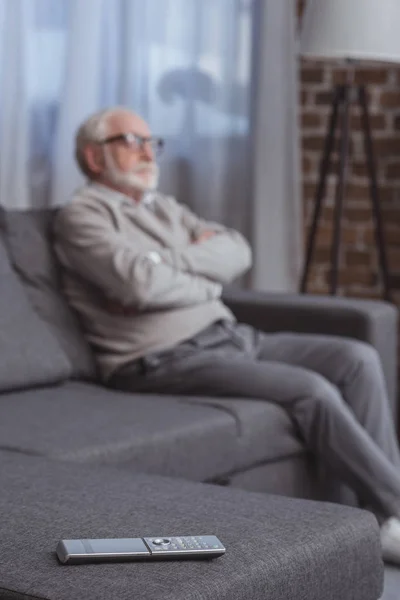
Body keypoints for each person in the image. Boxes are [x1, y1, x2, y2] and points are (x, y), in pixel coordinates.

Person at [54, 106, 400, 564]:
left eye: (150, 141)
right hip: (162, 358)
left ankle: (382, 518)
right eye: (131, 141)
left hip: (230, 337)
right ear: (94, 158)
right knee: (311, 390)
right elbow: (138, 284)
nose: (147, 152)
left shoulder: (164, 208)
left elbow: (236, 250)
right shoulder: (82, 216)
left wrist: (163, 262)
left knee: (356, 358)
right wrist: (188, 269)